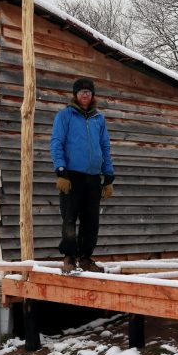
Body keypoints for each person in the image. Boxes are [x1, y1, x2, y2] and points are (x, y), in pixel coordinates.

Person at [50, 77, 115, 273]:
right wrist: (61, 171)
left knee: (91, 221)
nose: (85, 94)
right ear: (75, 95)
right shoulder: (65, 116)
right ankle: (69, 257)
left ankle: (86, 258)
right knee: (69, 218)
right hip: (71, 176)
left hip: (93, 177)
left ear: (93, 95)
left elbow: (105, 147)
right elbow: (56, 143)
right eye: (81, 91)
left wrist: (109, 176)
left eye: (88, 91)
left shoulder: (99, 118)